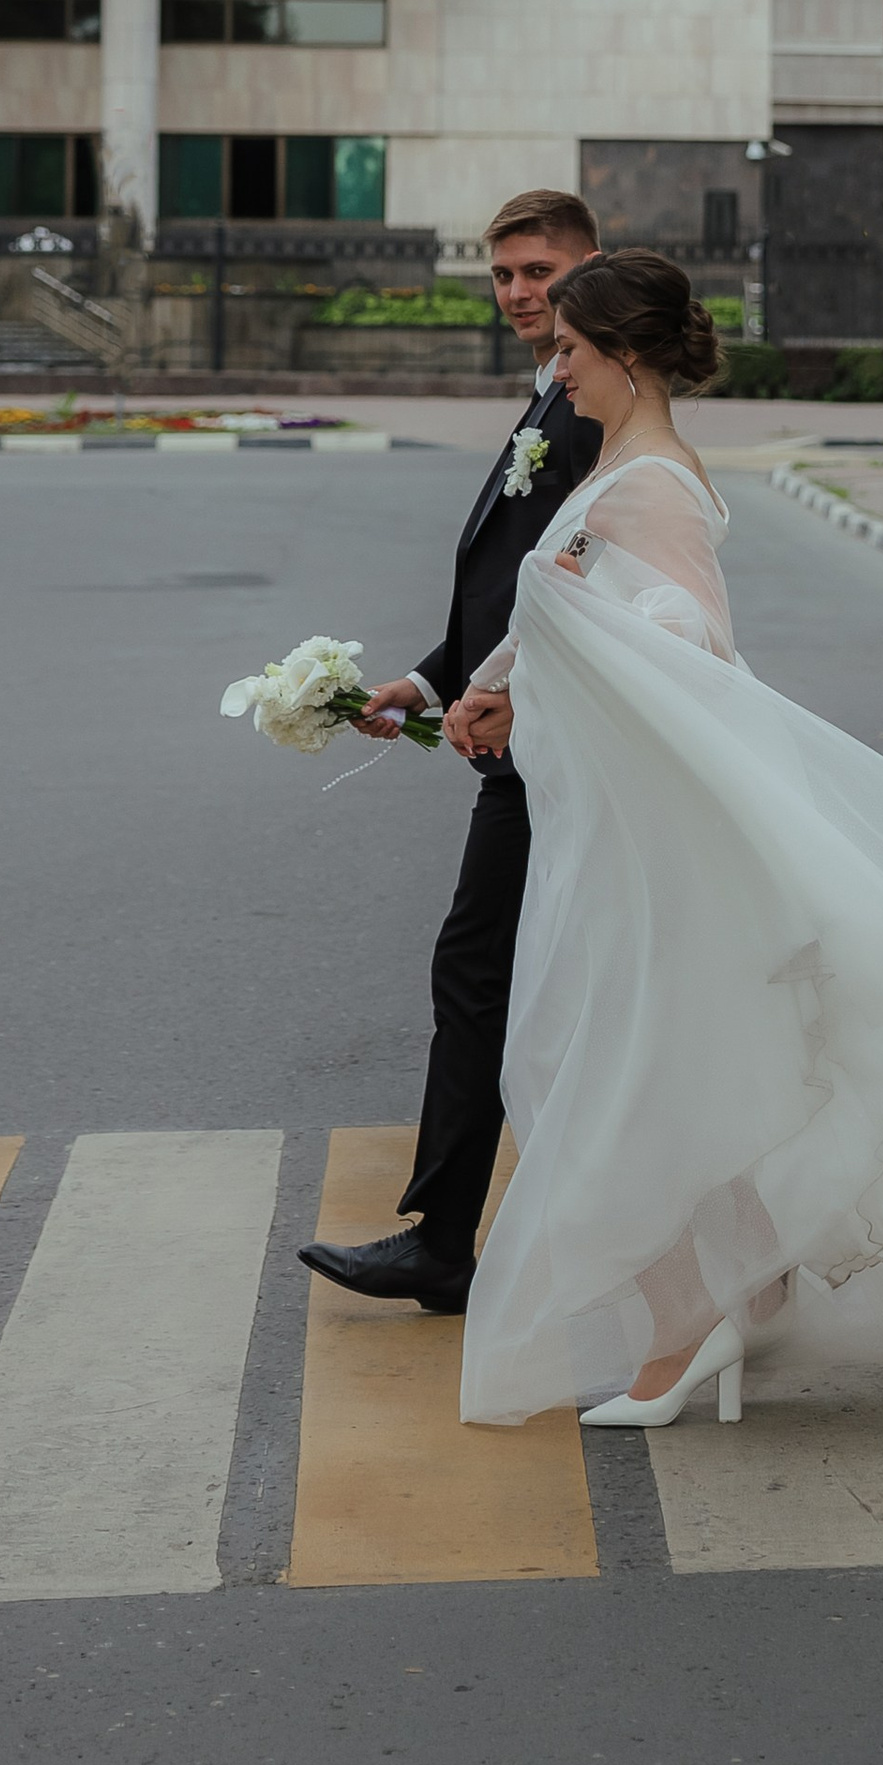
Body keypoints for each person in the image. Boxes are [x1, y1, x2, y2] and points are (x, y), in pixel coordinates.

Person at [447, 247, 883, 1428]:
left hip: (655, 843)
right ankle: (744, 1292)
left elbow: (694, 647)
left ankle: (687, 1329)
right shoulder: (624, 467)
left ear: (625, 354)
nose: (555, 371)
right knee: (647, 1066)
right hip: (620, 832)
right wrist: (506, 685)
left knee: (604, 1072)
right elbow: (589, 610)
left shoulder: (652, 485)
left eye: (569, 350)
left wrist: (550, 686)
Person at [296, 190, 606, 1317]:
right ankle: (457, 1237)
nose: (519, 293)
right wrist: (429, 683)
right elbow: (516, 590)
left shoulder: (591, 410)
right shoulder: (557, 394)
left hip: (557, 754)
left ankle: (450, 1241)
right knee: (510, 979)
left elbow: (592, 591)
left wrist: (511, 694)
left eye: (540, 271)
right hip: (527, 737)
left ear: (590, 269)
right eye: (504, 275)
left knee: (487, 976)